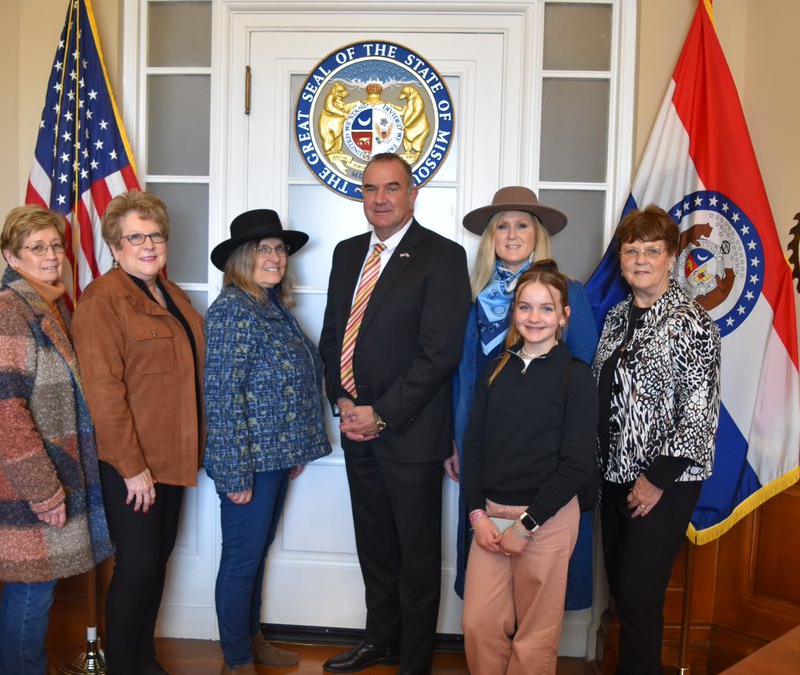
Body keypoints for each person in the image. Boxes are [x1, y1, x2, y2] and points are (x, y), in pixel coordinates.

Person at [318, 153, 471, 675]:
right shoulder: (345, 254)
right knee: (376, 548)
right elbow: (334, 335)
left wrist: (378, 414)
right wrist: (341, 399)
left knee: (417, 558)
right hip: (356, 431)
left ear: (413, 193)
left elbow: (439, 355)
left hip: (408, 434)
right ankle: (378, 640)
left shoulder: (442, 257)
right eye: (370, 189)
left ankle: (414, 661)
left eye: (391, 188)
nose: (379, 199)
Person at [0, 205, 113, 674]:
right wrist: (42, 488)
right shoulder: (7, 314)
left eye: (55, 245)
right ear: (12, 257)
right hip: (28, 483)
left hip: (53, 473)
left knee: (38, 587)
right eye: (37, 248)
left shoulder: (46, 304)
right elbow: (4, 412)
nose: (51, 255)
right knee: (31, 589)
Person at [72, 190, 205, 675]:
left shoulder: (172, 295)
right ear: (114, 245)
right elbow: (104, 396)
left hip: (174, 458)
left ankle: (144, 658)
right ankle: (123, 665)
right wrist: (132, 469)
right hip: (134, 465)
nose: (148, 245)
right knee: (137, 564)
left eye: (155, 235)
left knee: (157, 561)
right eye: (135, 237)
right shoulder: (102, 301)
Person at [447, 185, 599, 603]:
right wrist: (455, 442)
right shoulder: (475, 297)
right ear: (490, 237)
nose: (511, 235)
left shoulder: (567, 291)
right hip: (483, 446)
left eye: (522, 226)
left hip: (544, 453)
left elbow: (583, 367)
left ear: (538, 235)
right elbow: (463, 376)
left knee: (539, 576)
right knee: (489, 563)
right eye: (502, 226)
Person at [592, 205, 720, 675]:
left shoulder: (691, 322)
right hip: (612, 479)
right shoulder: (615, 319)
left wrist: (653, 480)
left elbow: (698, 415)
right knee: (625, 598)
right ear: (621, 259)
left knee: (640, 602)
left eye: (653, 250)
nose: (641, 259)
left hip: (662, 485)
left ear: (672, 258)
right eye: (632, 250)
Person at [203, 209, 332, 675]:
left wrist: (294, 449)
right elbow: (221, 397)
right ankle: (236, 658)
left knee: (255, 553)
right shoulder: (234, 310)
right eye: (263, 249)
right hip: (248, 464)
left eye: (279, 248)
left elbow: (289, 381)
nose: (274, 256)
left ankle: (253, 639)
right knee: (241, 560)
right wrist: (235, 474)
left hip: (275, 458)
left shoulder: (272, 307)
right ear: (242, 258)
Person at [460, 261, 597, 675]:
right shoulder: (496, 369)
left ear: (564, 316)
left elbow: (577, 465)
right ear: (514, 312)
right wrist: (477, 514)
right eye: (525, 307)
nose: (534, 318)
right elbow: (475, 446)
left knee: (535, 635)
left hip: (547, 518)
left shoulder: (575, 378)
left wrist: (527, 525)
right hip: (492, 517)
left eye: (546, 308)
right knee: (478, 624)